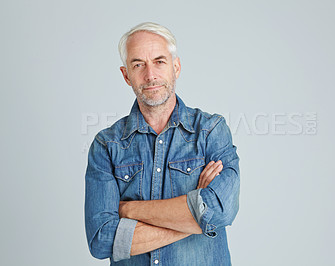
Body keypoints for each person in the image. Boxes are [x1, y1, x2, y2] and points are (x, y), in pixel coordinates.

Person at [84, 22, 240, 265]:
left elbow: (221, 211)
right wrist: (195, 220)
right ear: (126, 75)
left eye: (159, 61)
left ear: (175, 67)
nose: (150, 75)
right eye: (138, 65)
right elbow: (102, 240)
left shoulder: (211, 131)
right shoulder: (107, 145)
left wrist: (129, 211)